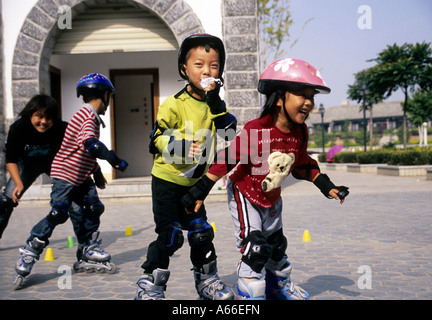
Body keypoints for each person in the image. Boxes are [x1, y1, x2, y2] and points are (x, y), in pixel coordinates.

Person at [181, 58, 350, 300]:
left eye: (312, 97)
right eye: (302, 95)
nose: (309, 103)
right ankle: (250, 294)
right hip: (245, 193)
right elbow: (228, 158)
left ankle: (276, 286)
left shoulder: (300, 132)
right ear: (279, 98)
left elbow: (302, 165)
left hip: (272, 198)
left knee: (277, 246)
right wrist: (200, 189)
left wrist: (327, 186)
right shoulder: (257, 129)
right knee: (256, 247)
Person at [135, 33, 237, 300]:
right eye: (199, 64)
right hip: (167, 182)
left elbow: (228, 137)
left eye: (214, 66)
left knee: (201, 233)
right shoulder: (173, 104)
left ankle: (207, 282)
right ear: (184, 68)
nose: (207, 71)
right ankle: (150, 285)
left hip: (195, 185)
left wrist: (216, 103)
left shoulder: (217, 106)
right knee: (170, 236)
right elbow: (155, 140)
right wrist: (179, 145)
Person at [13, 73, 128, 289]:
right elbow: (90, 144)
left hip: (81, 175)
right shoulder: (87, 115)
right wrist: (113, 159)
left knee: (94, 207)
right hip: (65, 175)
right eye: (109, 97)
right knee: (59, 213)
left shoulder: (90, 116)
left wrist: (96, 172)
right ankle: (31, 249)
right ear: (105, 94)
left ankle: (87, 248)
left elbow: (83, 151)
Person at [0, 94, 67, 239]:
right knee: (6, 202)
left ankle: (85, 243)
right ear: (30, 114)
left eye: (48, 118)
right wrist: (18, 183)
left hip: (53, 164)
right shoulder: (18, 129)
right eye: (39, 116)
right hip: (26, 165)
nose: (44, 121)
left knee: (75, 199)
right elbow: (11, 159)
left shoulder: (62, 128)